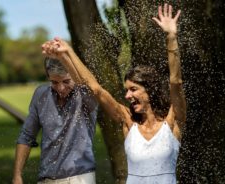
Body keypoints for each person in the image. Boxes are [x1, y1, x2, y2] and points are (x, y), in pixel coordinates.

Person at [42, 3, 186, 184]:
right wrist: (68, 53)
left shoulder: (173, 122)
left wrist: (171, 37)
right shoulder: (128, 121)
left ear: (150, 90)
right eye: (126, 90)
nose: (127, 96)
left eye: (133, 89)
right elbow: (96, 89)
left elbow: (175, 82)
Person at [12, 57, 98, 184]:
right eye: (54, 82)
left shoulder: (85, 94)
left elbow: (94, 87)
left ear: (75, 75)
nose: (61, 88)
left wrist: (67, 55)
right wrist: (17, 175)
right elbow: (26, 136)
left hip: (80, 176)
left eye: (66, 81)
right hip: (46, 177)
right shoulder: (41, 94)